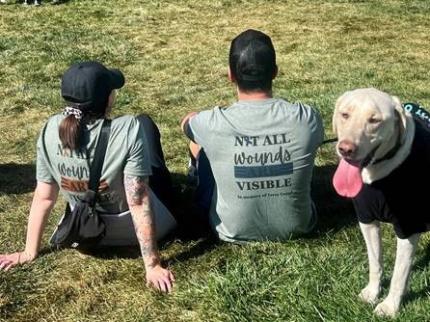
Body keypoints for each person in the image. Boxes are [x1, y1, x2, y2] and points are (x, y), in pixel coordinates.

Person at [0, 61, 176, 293]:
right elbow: (138, 200)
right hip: (132, 229)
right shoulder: (128, 128)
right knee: (146, 123)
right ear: (108, 99)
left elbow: (44, 197)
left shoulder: (50, 129)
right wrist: (152, 265)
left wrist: (29, 252)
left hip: (86, 234)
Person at [181, 29, 324, 243]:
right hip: (299, 227)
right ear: (275, 72)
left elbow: (186, 125)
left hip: (230, 230)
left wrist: (194, 117)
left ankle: (198, 182)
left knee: (200, 146)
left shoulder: (212, 123)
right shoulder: (307, 119)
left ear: (231, 74)